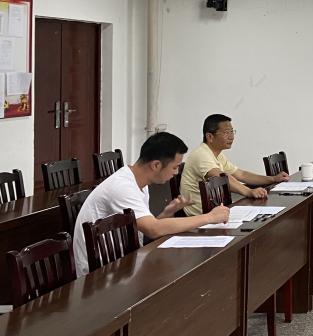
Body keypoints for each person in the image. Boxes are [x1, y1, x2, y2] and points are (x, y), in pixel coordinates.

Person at [72, 132, 230, 275]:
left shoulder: (140, 182)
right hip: (101, 274)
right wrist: (209, 217)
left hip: (123, 262)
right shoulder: (122, 187)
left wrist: (166, 213)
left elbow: (146, 228)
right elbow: (153, 229)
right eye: (174, 167)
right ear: (156, 165)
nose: (176, 172)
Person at [179, 114, 289, 217]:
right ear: (210, 136)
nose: (231, 136)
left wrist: (272, 179)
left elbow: (241, 174)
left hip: (217, 210)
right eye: (226, 132)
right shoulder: (201, 155)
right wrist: (249, 191)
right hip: (201, 216)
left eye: (232, 131)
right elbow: (221, 177)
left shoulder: (217, 154)